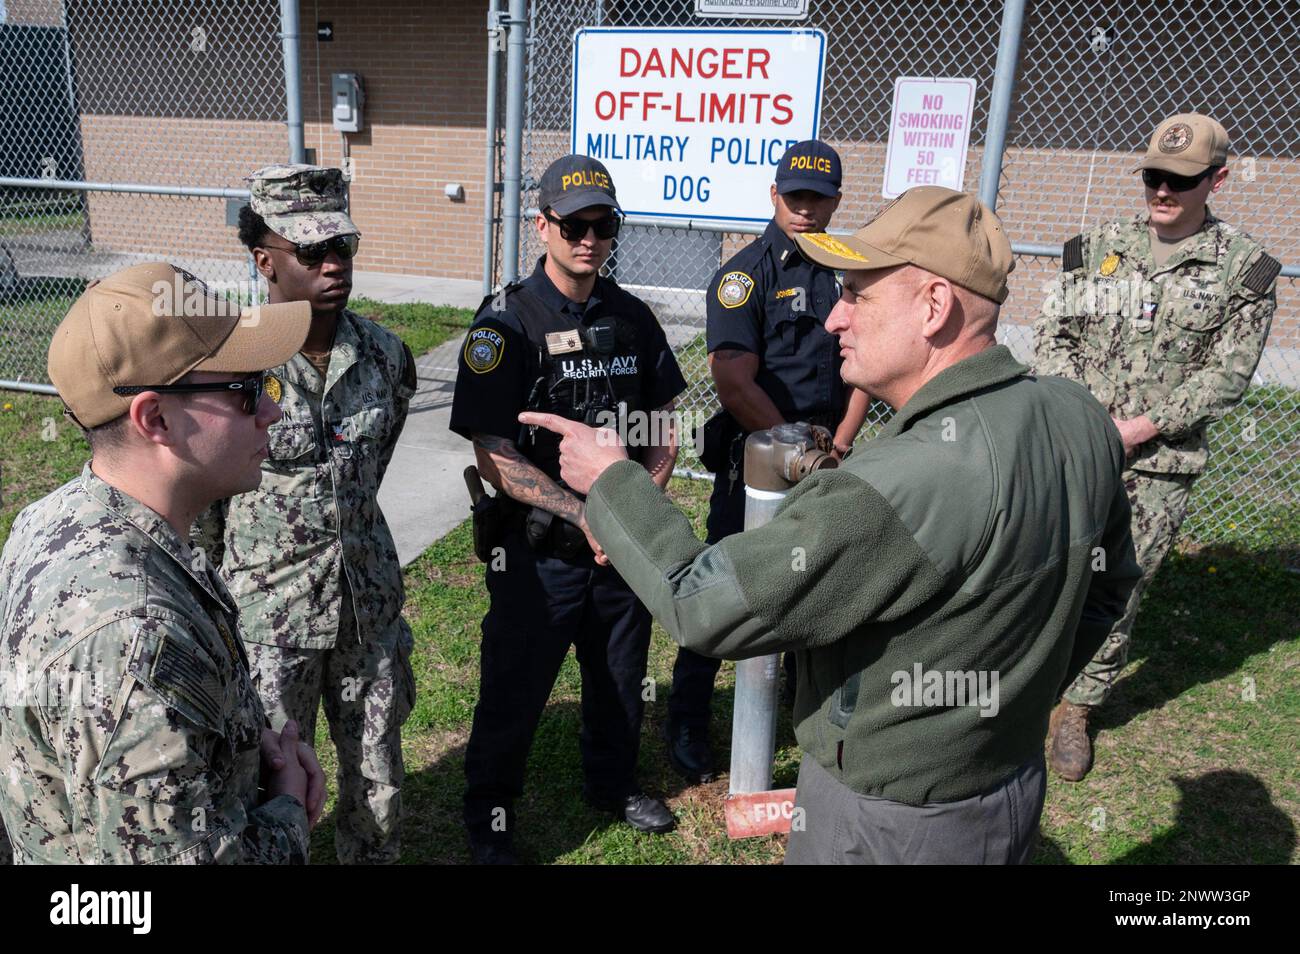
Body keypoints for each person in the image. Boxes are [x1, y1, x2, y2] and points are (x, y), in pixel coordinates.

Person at [522, 186, 1143, 864]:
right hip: (1011, 791)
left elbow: (703, 606)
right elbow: (1108, 592)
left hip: (884, 823)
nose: (834, 319)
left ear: (934, 307)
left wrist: (612, 479)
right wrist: (1008, 706)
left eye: (858, 295)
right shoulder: (1079, 418)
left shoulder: (897, 484)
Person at [0, 262, 326, 863]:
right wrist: (287, 806)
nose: (272, 413)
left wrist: (255, 751)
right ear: (154, 418)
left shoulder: (52, 519)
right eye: (249, 391)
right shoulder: (135, 636)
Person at [449, 155, 687, 863]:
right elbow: (491, 450)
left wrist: (635, 507)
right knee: (514, 690)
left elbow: (663, 423)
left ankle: (613, 784)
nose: (589, 238)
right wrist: (586, 518)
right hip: (539, 549)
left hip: (620, 547)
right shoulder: (506, 324)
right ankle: (490, 809)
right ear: (541, 224)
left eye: (603, 224)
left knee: (620, 676)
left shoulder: (633, 318)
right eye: (574, 223)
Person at [1033, 113, 1279, 781]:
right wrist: (1084, 415)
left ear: (1217, 179)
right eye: (1153, 177)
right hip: (1073, 443)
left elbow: (1226, 377)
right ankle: (1026, 684)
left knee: (1117, 582)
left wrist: (1141, 427)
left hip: (1157, 464)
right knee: (1045, 565)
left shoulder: (1244, 271)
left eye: (1180, 180)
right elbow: (1055, 338)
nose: (1162, 191)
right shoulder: (1097, 247)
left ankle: (1078, 706)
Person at [193, 164, 418, 863]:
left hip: (367, 608)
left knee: (376, 778)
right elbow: (203, 509)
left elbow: (370, 470)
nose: (332, 266)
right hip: (270, 618)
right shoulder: (228, 365)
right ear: (265, 260)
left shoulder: (384, 356)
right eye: (311, 252)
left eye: (342, 249)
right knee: (269, 783)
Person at [668, 140, 872, 783]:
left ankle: (801, 706)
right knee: (725, 588)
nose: (805, 207)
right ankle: (687, 721)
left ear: (837, 200)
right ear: (774, 196)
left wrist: (836, 446)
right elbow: (733, 382)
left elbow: (864, 363)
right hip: (757, 461)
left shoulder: (852, 273)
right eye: (794, 195)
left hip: (826, 457)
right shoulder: (744, 275)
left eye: (818, 196)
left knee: (818, 584)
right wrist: (797, 452)